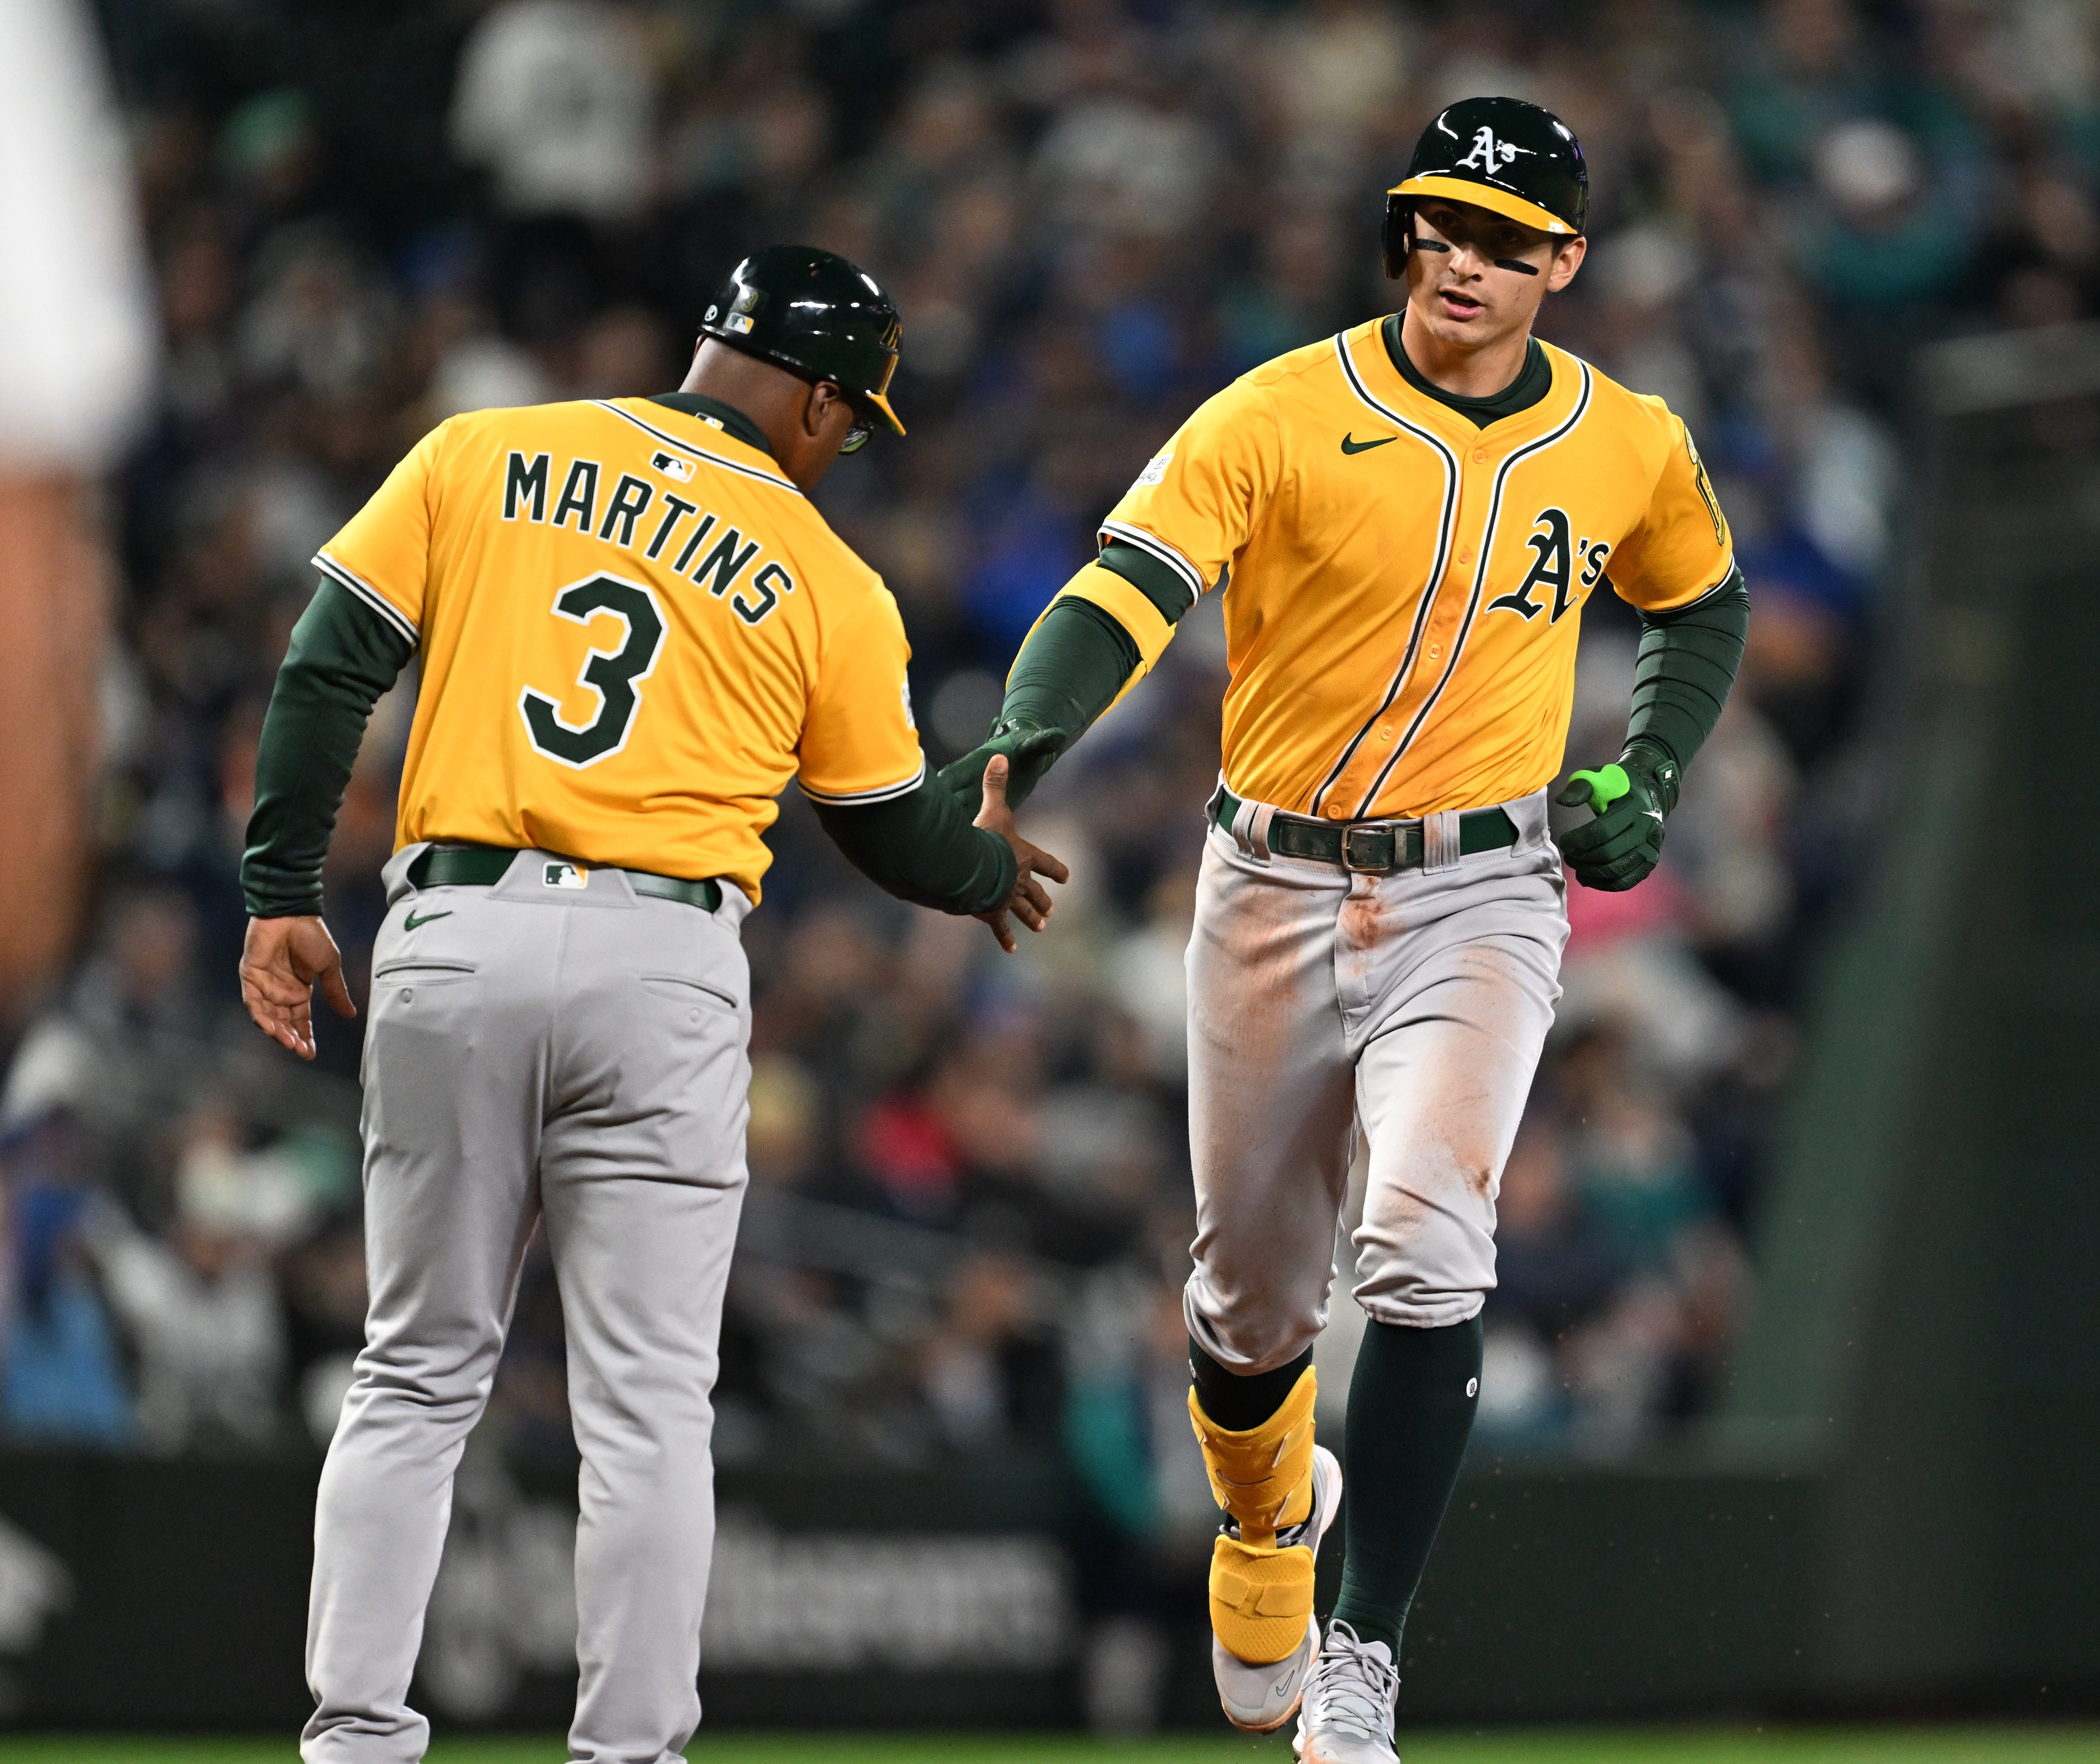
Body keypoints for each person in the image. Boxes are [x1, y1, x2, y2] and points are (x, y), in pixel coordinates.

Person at [959, 97, 1750, 1761]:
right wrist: (1025, 744)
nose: (1465, 259)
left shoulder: (1626, 439)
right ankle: (1262, 1522)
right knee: (1251, 1305)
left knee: (1421, 1239)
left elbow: (1700, 597)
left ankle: (1363, 1661)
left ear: (1566, 260)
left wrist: (1655, 770)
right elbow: (1126, 585)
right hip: (1271, 880)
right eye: (1441, 226)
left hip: (1484, 882)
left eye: (1506, 237)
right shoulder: (1279, 408)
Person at [234, 245, 1063, 1764]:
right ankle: (629, 1757)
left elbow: (326, 665)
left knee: (417, 1366)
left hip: (458, 929)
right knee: (649, 1408)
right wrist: (983, 868)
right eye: (851, 415)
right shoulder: (826, 572)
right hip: (663, 961)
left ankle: (353, 1740)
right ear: (819, 393)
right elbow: (885, 826)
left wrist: (282, 892)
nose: (845, 443)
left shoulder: (490, 450)